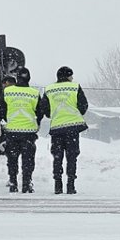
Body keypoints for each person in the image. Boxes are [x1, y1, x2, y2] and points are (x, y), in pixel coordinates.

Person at [39, 65, 88, 194]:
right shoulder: (75, 87)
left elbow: (45, 109)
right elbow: (83, 106)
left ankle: (58, 185)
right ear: (68, 76)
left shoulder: (49, 89)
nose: (72, 78)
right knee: (72, 157)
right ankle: (71, 185)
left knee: (57, 157)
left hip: (57, 129)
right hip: (72, 128)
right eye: (71, 76)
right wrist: (75, 113)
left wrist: (53, 115)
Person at [0, 68, 42, 193]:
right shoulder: (34, 93)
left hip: (12, 131)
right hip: (28, 132)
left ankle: (13, 182)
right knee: (28, 160)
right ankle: (26, 183)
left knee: (12, 159)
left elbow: (2, 110)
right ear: (29, 78)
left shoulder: (8, 91)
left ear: (17, 78)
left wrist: (7, 120)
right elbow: (40, 112)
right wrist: (36, 122)